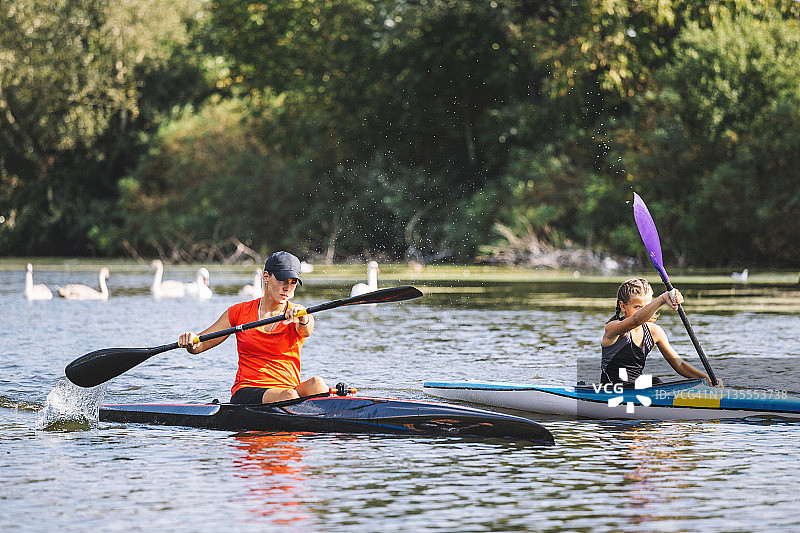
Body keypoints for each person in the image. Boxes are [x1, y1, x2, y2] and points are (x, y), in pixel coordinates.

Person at [178, 251, 328, 403]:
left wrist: (302, 318)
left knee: (317, 384)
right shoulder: (239, 312)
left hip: (287, 390)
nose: (287, 287)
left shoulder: (298, 312)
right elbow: (199, 345)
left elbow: (306, 329)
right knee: (289, 396)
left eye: (293, 282)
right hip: (248, 390)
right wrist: (191, 341)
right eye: (282, 280)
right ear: (266, 277)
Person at [601, 278, 716, 386]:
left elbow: (679, 365)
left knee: (655, 382)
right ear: (622, 306)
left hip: (636, 389)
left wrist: (707, 379)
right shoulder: (612, 329)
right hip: (611, 390)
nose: (644, 311)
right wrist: (662, 299)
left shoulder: (654, 332)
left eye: (647, 307)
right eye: (637, 307)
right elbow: (636, 320)